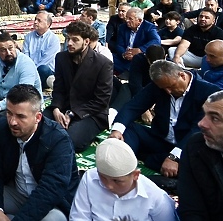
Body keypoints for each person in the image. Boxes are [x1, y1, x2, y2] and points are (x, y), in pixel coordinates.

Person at [0, 84, 79, 221]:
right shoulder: (2, 128)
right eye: (9, 113)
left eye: (21, 116)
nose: (13, 121)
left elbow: (51, 190)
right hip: (16, 194)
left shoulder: (58, 139)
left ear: (38, 117)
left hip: (50, 205)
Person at [110, 60, 219, 177]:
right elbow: (133, 107)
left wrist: (174, 157)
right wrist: (117, 130)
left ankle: (152, 159)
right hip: (160, 139)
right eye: (164, 88)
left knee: (201, 167)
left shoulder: (208, 92)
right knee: (127, 128)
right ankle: (125, 166)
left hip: (187, 146)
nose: (168, 91)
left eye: (171, 87)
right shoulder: (159, 85)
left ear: (182, 76)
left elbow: (197, 129)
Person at [45, 21, 113, 152]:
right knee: (36, 127)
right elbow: (59, 89)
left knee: (68, 141)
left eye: (75, 40)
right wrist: (56, 109)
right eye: (68, 38)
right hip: (64, 107)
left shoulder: (103, 64)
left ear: (86, 41)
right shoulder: (61, 58)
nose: (69, 43)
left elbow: (101, 101)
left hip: (90, 113)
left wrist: (72, 114)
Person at [69, 138, 177, 221]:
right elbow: (79, 217)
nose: (109, 186)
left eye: (116, 181)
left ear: (135, 175)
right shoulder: (90, 178)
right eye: (103, 177)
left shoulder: (156, 197)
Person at [177, 89, 223, 220]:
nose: (201, 123)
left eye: (214, 118)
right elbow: (191, 210)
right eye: (205, 114)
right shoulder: (196, 146)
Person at [0, 32, 41, 113]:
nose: (9, 53)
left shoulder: (26, 63)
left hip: (24, 104)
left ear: (15, 46)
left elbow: (23, 94)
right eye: (3, 50)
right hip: (2, 99)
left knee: (2, 119)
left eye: (10, 48)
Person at [22, 12, 60, 88]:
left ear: (48, 24)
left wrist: (31, 72)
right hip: (29, 70)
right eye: (35, 19)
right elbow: (25, 56)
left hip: (45, 72)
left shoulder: (53, 39)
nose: (35, 22)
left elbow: (46, 61)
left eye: (39, 20)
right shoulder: (28, 37)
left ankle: (29, 88)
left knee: (43, 68)